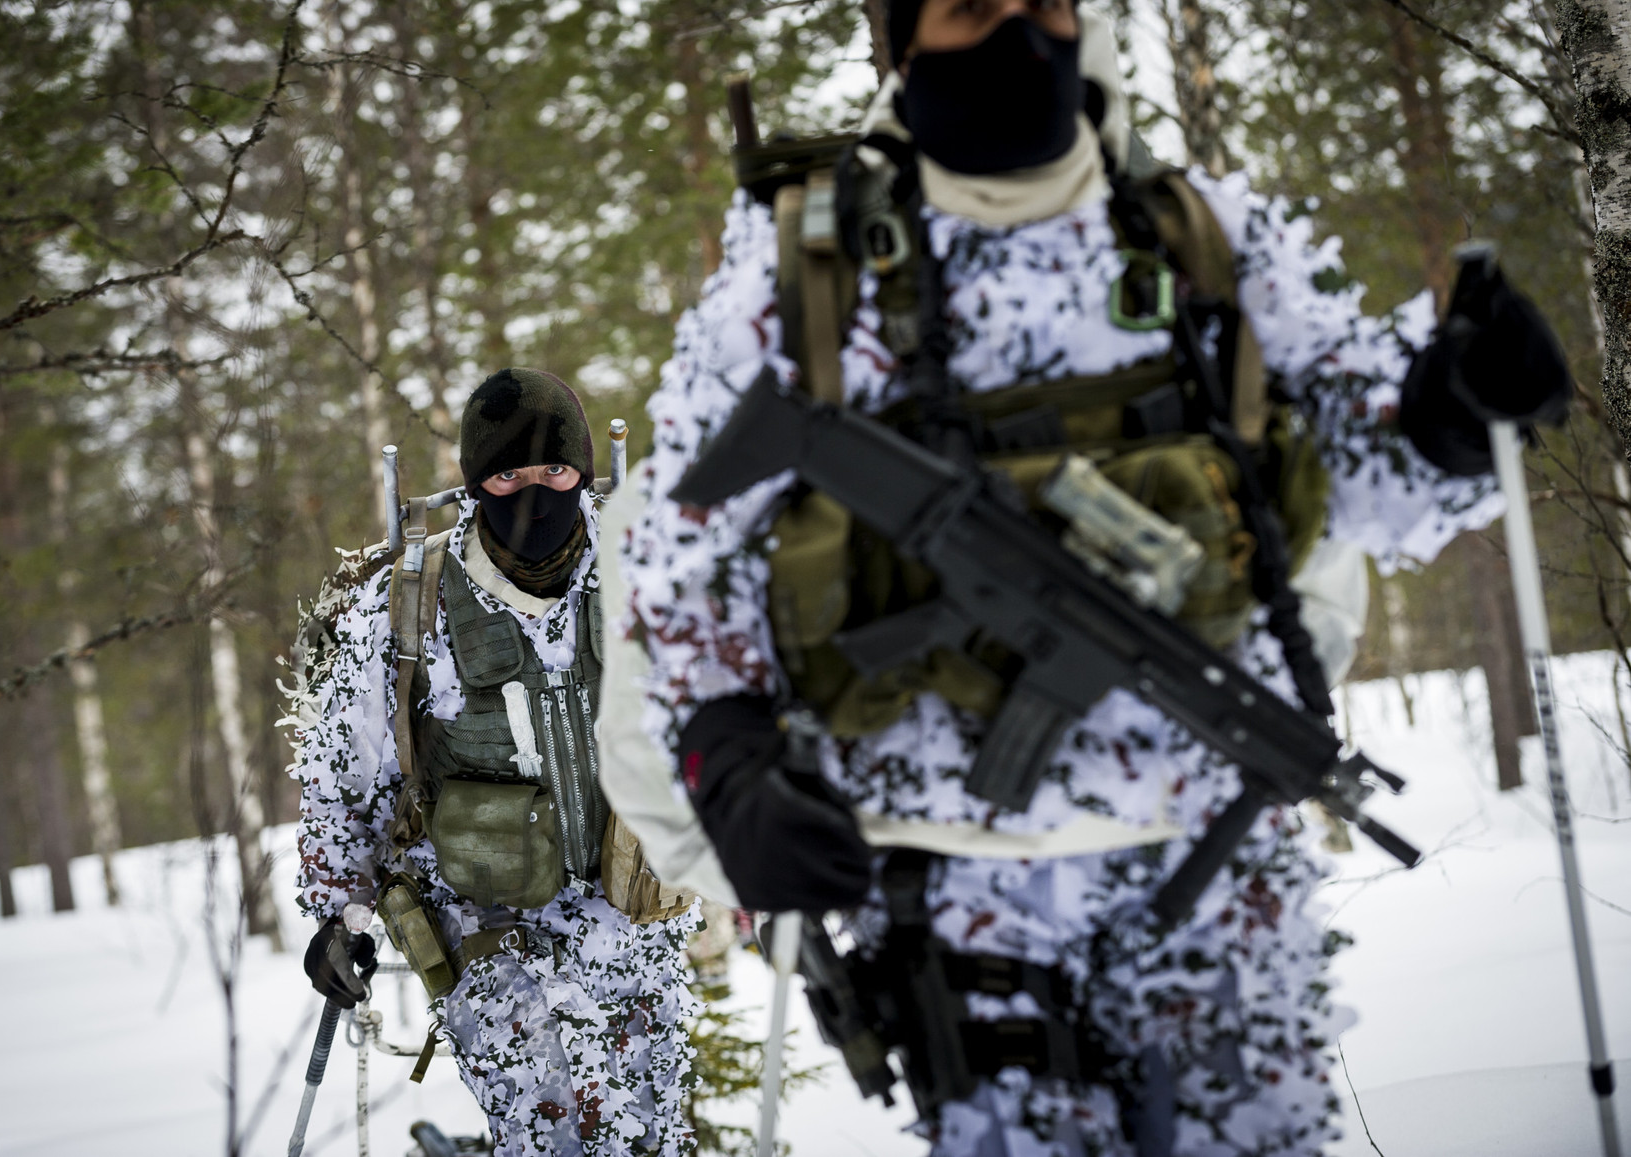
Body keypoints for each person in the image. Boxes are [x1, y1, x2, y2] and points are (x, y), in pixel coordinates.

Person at [620, 0, 1570, 1153]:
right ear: (903, 39)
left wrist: (1459, 407)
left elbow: (1354, 463)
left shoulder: (1199, 237)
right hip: (960, 906)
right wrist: (726, 757)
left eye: (1049, 5)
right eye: (976, 9)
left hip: (1222, 877)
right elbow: (682, 562)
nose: (1025, 35)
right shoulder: (810, 266)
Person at [291, 367, 698, 1157]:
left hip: (634, 906)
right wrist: (339, 913)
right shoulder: (405, 606)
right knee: (555, 1133)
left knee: (651, 1132)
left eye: (556, 471)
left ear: (583, 470)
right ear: (478, 484)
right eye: (509, 475)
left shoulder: (647, 573)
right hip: (487, 923)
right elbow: (340, 780)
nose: (535, 494)